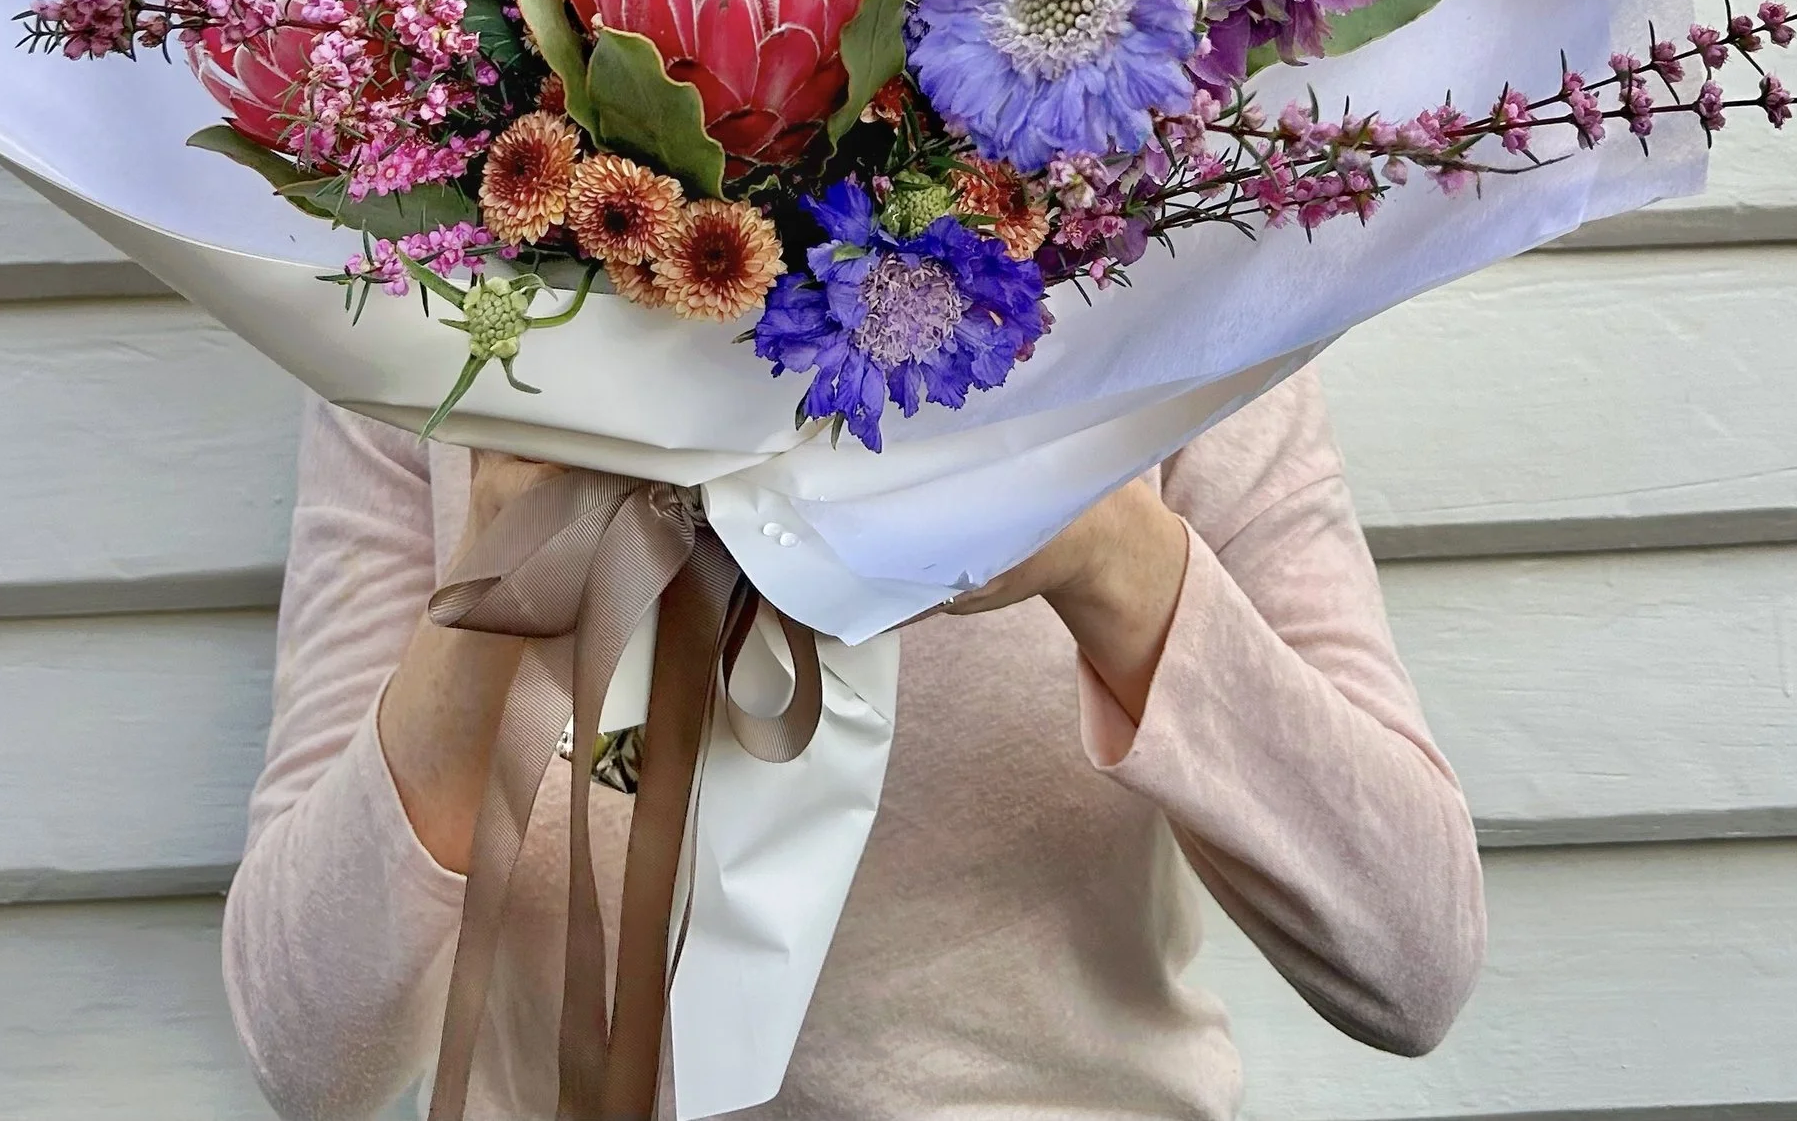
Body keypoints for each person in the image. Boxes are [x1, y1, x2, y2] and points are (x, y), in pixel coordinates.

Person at [224, 370, 1486, 1120]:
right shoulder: (442, 334)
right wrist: (484, 601)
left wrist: (1113, 552)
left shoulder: (1171, 302)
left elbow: (1409, 957)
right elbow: (308, 1046)